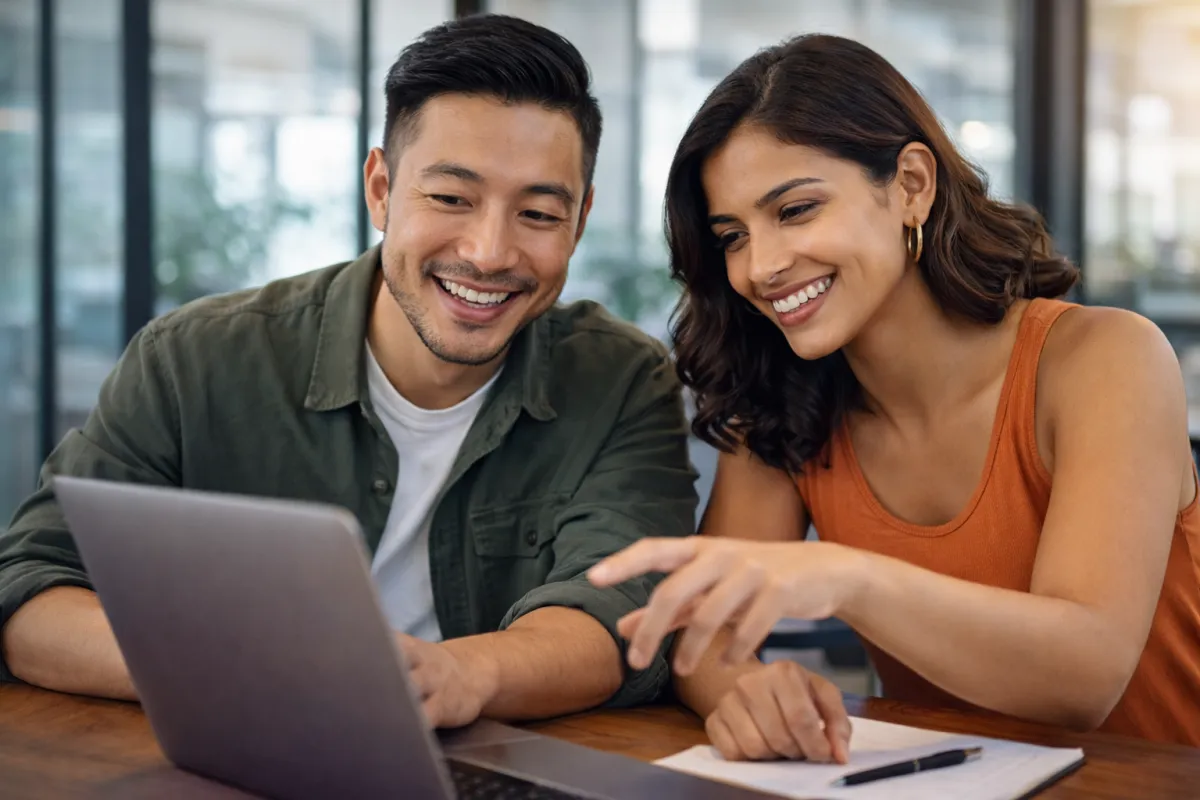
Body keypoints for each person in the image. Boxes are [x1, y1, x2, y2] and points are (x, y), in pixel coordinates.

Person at [0, 14, 698, 729]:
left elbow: (626, 615)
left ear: (578, 222)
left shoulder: (620, 380)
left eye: (538, 213)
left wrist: (462, 674)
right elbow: (29, 591)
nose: (489, 252)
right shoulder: (193, 360)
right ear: (380, 189)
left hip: (481, 760)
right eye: (450, 198)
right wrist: (249, 669)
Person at [589, 32, 1200, 759]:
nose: (762, 266)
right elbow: (704, 632)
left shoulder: (1105, 360)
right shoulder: (780, 398)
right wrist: (745, 692)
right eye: (732, 236)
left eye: (795, 210)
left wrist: (848, 577)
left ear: (911, 185)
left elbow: (1084, 676)